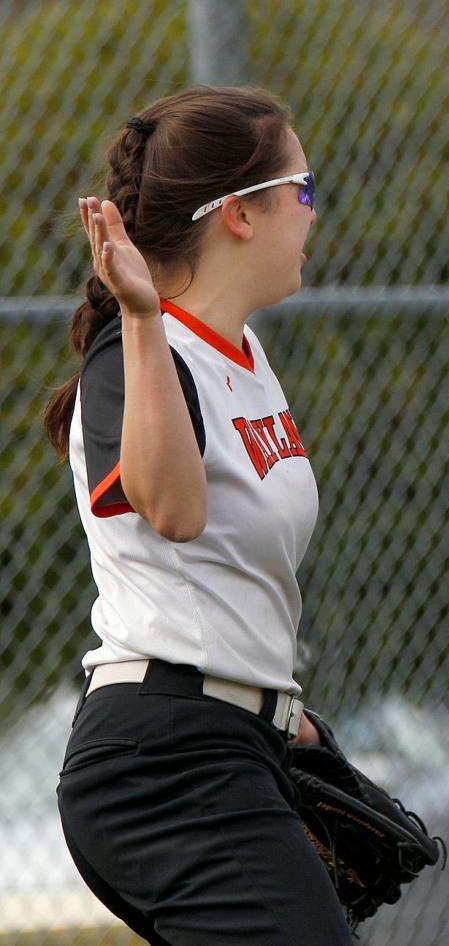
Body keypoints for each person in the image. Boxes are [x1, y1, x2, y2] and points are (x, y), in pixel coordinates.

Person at [43, 85, 354, 946]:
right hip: (159, 763)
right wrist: (142, 317)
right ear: (240, 216)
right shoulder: (135, 356)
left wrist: (287, 721)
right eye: (304, 189)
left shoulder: (246, 354)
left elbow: (225, 583)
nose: (313, 214)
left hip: (235, 744)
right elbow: (175, 511)